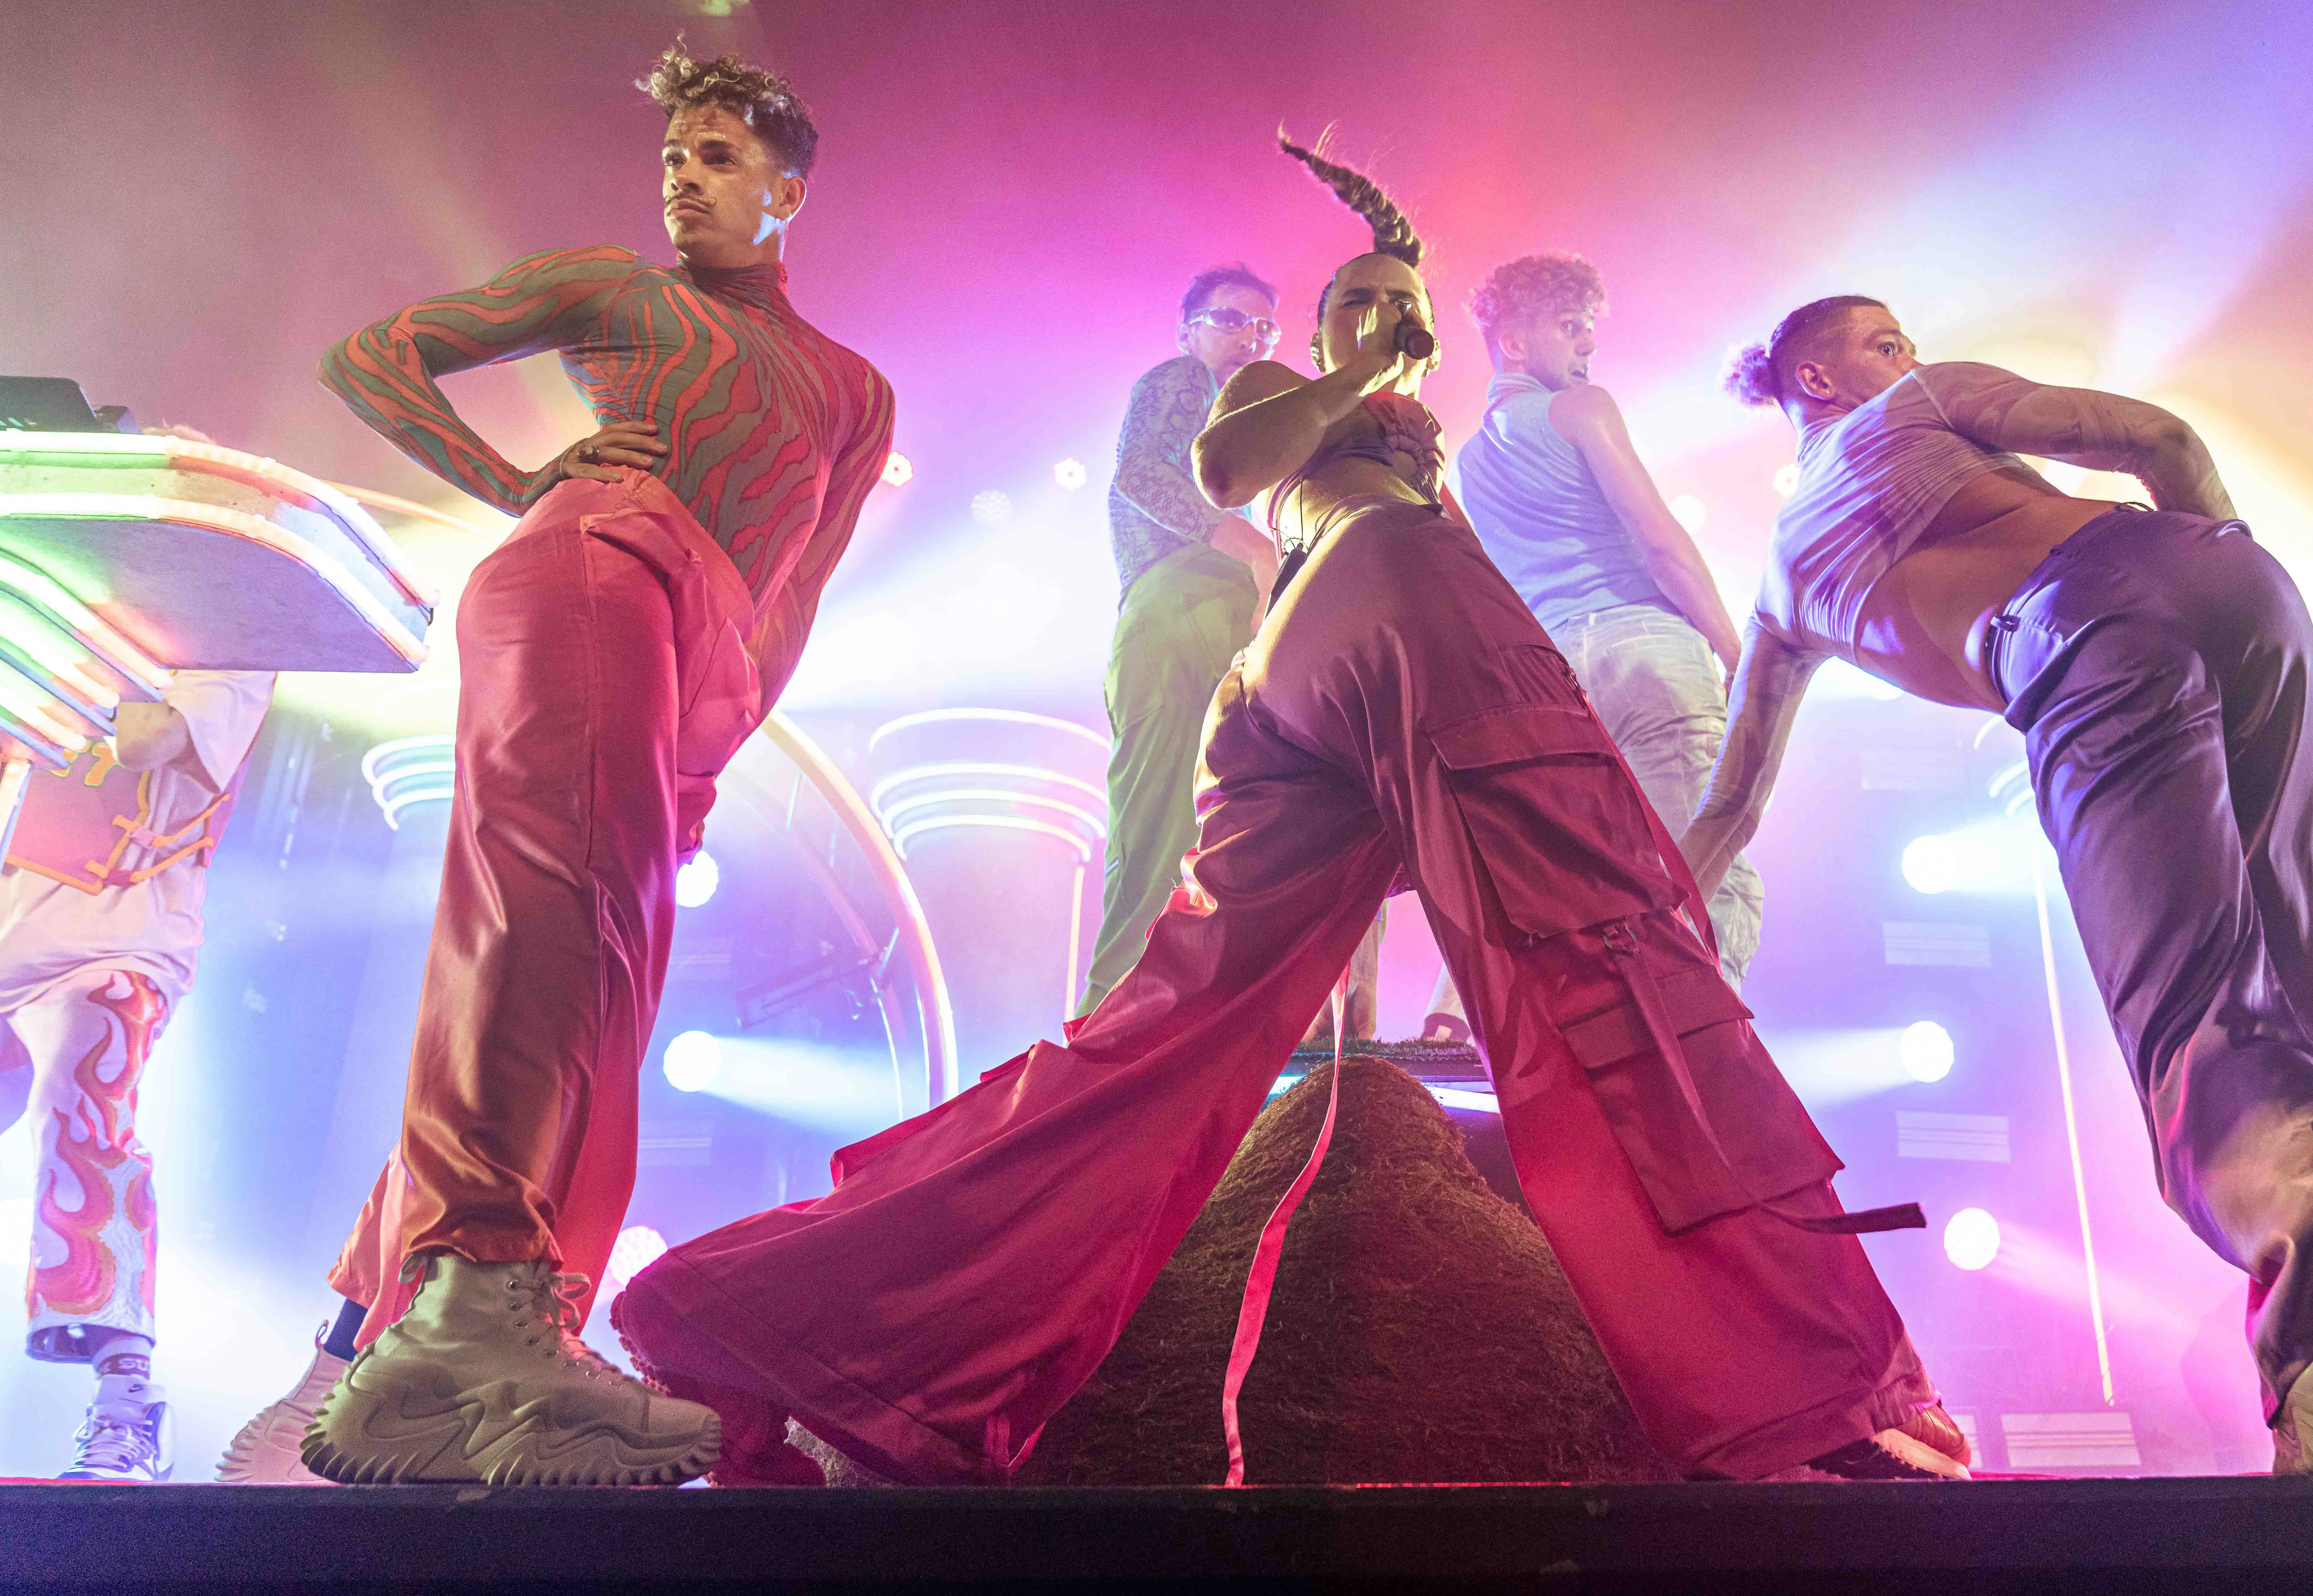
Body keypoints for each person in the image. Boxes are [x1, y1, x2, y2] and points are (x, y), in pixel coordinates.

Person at [608, 138, 1968, 1487]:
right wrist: (1364, 376)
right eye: (1359, 302)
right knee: (1606, 949)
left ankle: (825, 1328)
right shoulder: (1293, 384)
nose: (1388, 322)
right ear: (1319, 325)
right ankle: (1807, 1390)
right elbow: (1223, 467)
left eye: (1403, 310)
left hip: (1312, 670)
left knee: (1169, 1026)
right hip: (1361, 604)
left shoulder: (1432, 439)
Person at [1680, 295, 2313, 1473]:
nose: (1912, 354)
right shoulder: (1924, 407)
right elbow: (2162, 447)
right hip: (2232, 584)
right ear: (1814, 380)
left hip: (2077, 633)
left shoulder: (1782, 598)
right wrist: (2205, 584)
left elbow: (1729, 808)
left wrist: (1637, 921)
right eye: (1883, 340)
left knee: (2188, 1005)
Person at [226, 41, 893, 1489]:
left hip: (691, 652)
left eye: (719, 158)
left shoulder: (853, 387)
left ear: (790, 191)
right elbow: (372, 358)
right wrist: (520, 483)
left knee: (582, 968)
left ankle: (379, 1333)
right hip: (597, 560)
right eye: (675, 155)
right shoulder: (619, 287)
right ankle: (466, 1317)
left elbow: (798, 593)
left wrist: (715, 738)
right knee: (542, 923)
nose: (685, 178)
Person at [1447, 253, 1762, 1019]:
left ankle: (1463, 1032)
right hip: (1646, 653)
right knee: (1705, 875)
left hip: (1550, 681)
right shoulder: (1583, 409)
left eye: (1588, 330)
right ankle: (1708, 1070)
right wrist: (1736, 652)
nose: (1587, 349)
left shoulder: (1468, 459)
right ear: (1514, 343)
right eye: (1569, 328)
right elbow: (1660, 543)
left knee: (1573, 887)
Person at [2, 663, 275, 1481]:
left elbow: (147, 737)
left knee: (80, 1111)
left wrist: (84, 652)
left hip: (119, 942)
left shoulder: (233, 641)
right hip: (15, 929)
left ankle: (128, 1399)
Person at [1081, 265, 1284, 1016]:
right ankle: (1107, 1031)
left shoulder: (1260, 431)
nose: (1249, 339)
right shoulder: (1180, 379)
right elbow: (1138, 473)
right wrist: (1252, 546)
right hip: (1173, 613)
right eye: (1232, 320)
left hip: (1229, 628)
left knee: (1220, 840)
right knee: (1155, 834)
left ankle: (1175, 1024)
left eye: (1265, 328)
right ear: (1188, 329)